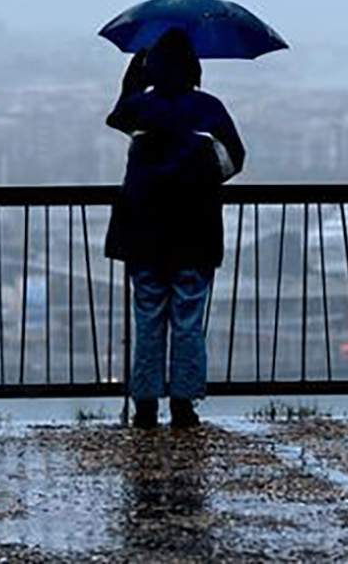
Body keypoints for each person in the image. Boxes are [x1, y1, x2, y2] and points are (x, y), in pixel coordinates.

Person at [103, 29, 246, 429]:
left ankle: (144, 404)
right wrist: (202, 177)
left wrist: (134, 79)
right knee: (188, 317)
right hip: (195, 229)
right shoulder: (209, 109)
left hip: (144, 230)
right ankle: (185, 403)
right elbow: (236, 158)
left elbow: (117, 117)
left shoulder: (141, 108)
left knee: (147, 316)